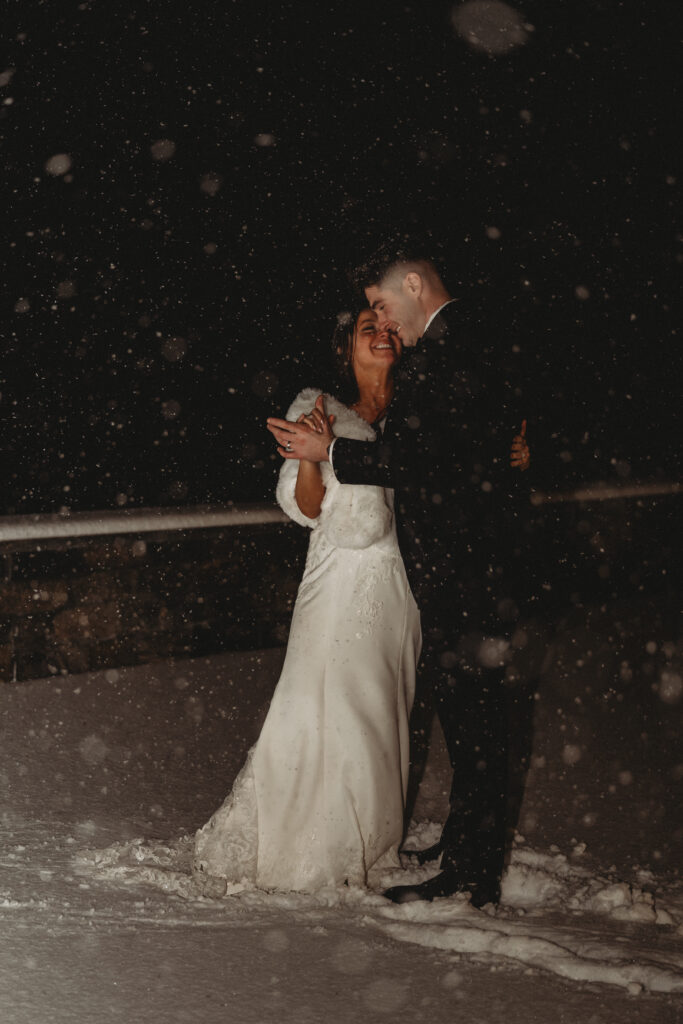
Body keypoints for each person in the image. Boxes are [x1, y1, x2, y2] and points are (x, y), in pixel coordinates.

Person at [267, 253, 530, 908]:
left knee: (474, 722)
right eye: (368, 321)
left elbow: (430, 457)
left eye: (381, 307)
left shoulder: (453, 344)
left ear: (411, 287)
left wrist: (330, 450)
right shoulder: (439, 352)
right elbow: (460, 447)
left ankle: (471, 869)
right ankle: (464, 848)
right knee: (465, 721)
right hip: (436, 572)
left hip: (461, 568)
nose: (383, 323)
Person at [192, 309, 422, 894]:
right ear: (347, 346)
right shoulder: (320, 407)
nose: (382, 334)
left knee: (377, 709)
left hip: (398, 579)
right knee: (312, 701)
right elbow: (308, 508)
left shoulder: (422, 413)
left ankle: (370, 840)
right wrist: (316, 457)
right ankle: (299, 841)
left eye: (391, 326)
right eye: (369, 326)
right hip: (334, 576)